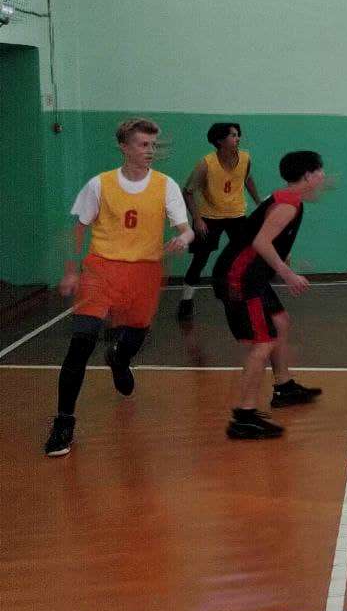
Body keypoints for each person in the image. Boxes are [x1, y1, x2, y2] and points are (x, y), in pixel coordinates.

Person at [44, 118, 194, 457]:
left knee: (135, 336)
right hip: (102, 270)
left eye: (153, 145)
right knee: (81, 342)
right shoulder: (100, 185)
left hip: (144, 273)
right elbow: (78, 229)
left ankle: (118, 358)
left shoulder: (166, 185)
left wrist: (183, 239)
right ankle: (64, 422)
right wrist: (71, 271)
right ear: (124, 147)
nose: (150, 151)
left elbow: (185, 229)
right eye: (143, 144)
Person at [212, 150, 326, 440]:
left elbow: (266, 238)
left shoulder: (288, 199)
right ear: (308, 175)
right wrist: (288, 275)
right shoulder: (287, 205)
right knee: (263, 342)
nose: (323, 176)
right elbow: (261, 241)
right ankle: (243, 417)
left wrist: (285, 261)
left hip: (253, 276)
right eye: (320, 171)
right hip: (239, 278)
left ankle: (284, 387)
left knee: (280, 322)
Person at [177, 122, 261, 320]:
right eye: (233, 135)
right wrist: (197, 219)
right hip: (210, 217)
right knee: (200, 260)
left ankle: (244, 296)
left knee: (245, 256)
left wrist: (258, 202)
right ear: (220, 141)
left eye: (238, 134)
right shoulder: (206, 164)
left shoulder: (245, 158)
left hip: (237, 215)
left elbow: (247, 178)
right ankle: (186, 301)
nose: (238, 138)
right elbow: (188, 192)